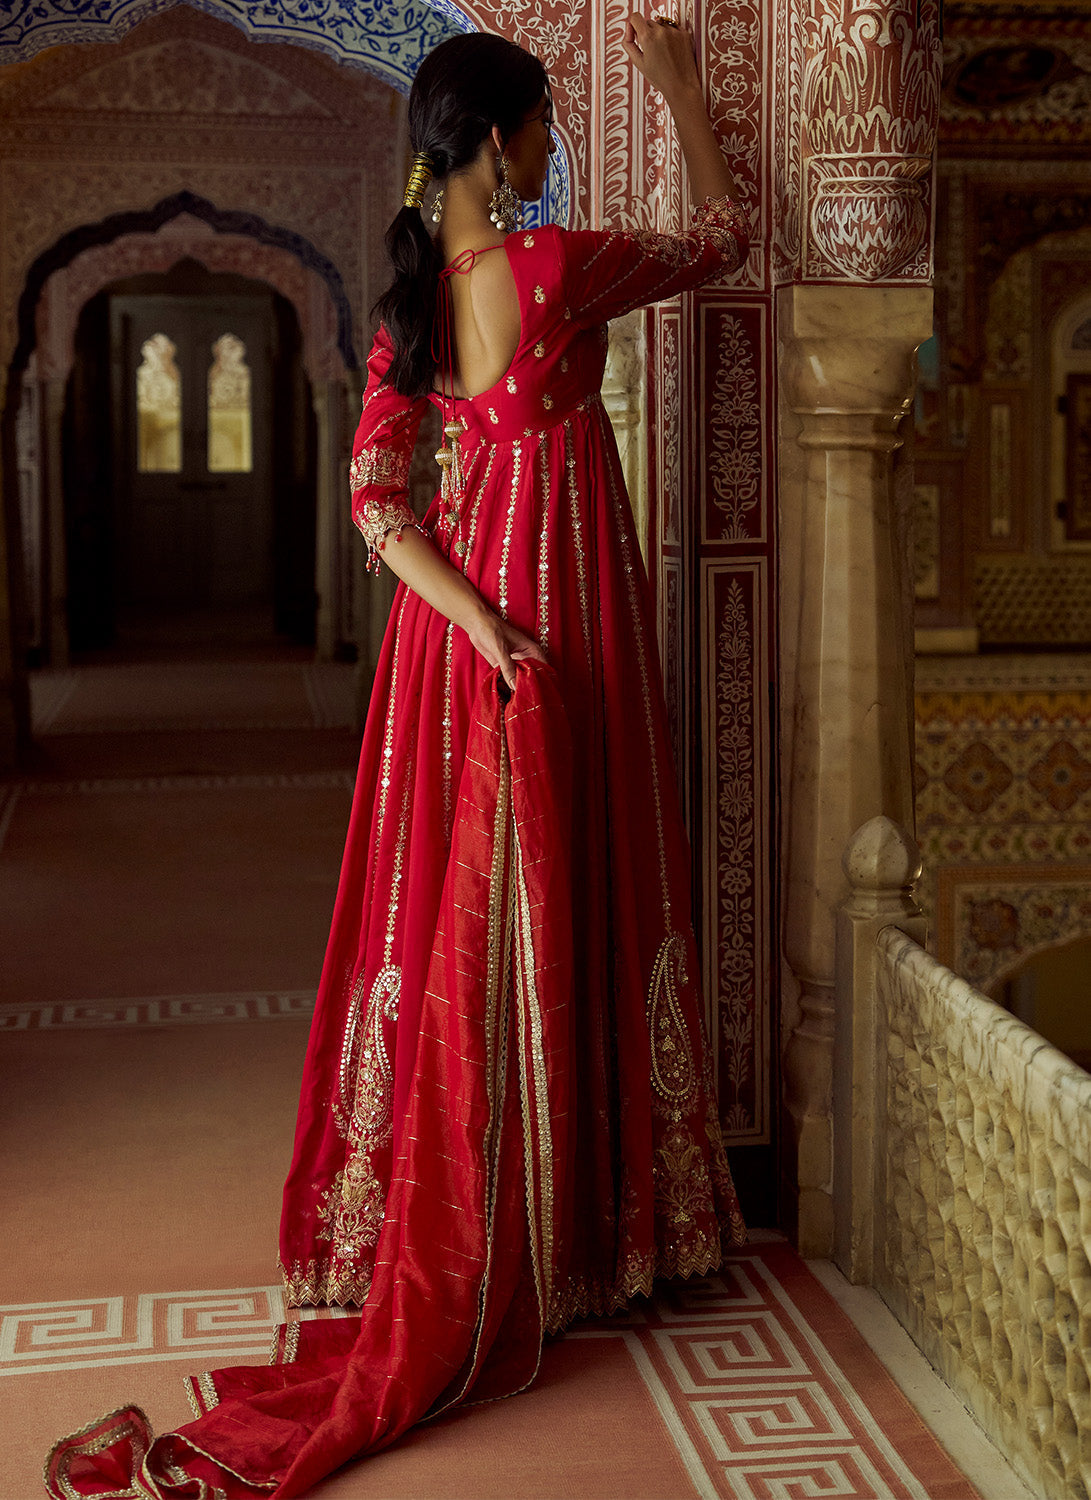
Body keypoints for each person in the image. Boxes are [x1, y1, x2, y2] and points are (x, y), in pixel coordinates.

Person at [45, 15, 750, 1499]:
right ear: (500, 144)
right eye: (545, 126)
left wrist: (479, 633)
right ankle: (589, 1238)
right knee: (569, 892)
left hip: (456, 654)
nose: (554, 150)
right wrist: (686, 95)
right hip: (569, 624)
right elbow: (726, 236)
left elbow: (380, 514)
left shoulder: (411, 306)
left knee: (452, 922)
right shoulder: (555, 273)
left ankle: (471, 1222)